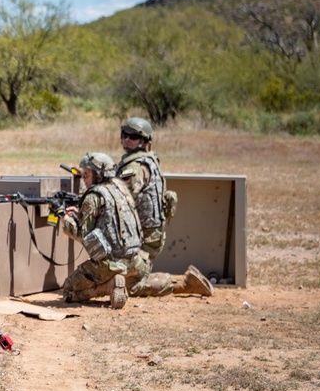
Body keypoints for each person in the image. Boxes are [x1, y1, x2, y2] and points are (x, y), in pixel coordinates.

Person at [60, 152, 213, 309]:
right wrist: (82, 214)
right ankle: (184, 283)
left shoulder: (94, 196)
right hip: (135, 260)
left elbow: (82, 234)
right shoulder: (121, 188)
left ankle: (107, 287)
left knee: (68, 290)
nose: (84, 179)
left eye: (86, 175)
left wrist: (66, 220)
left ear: (98, 175)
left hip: (110, 263)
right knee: (132, 287)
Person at [115, 117, 176, 262]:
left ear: (144, 141)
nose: (127, 139)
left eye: (134, 136)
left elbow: (120, 198)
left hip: (144, 235)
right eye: (125, 135)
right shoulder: (150, 159)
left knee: (128, 278)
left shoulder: (135, 167)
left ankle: (178, 283)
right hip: (150, 233)